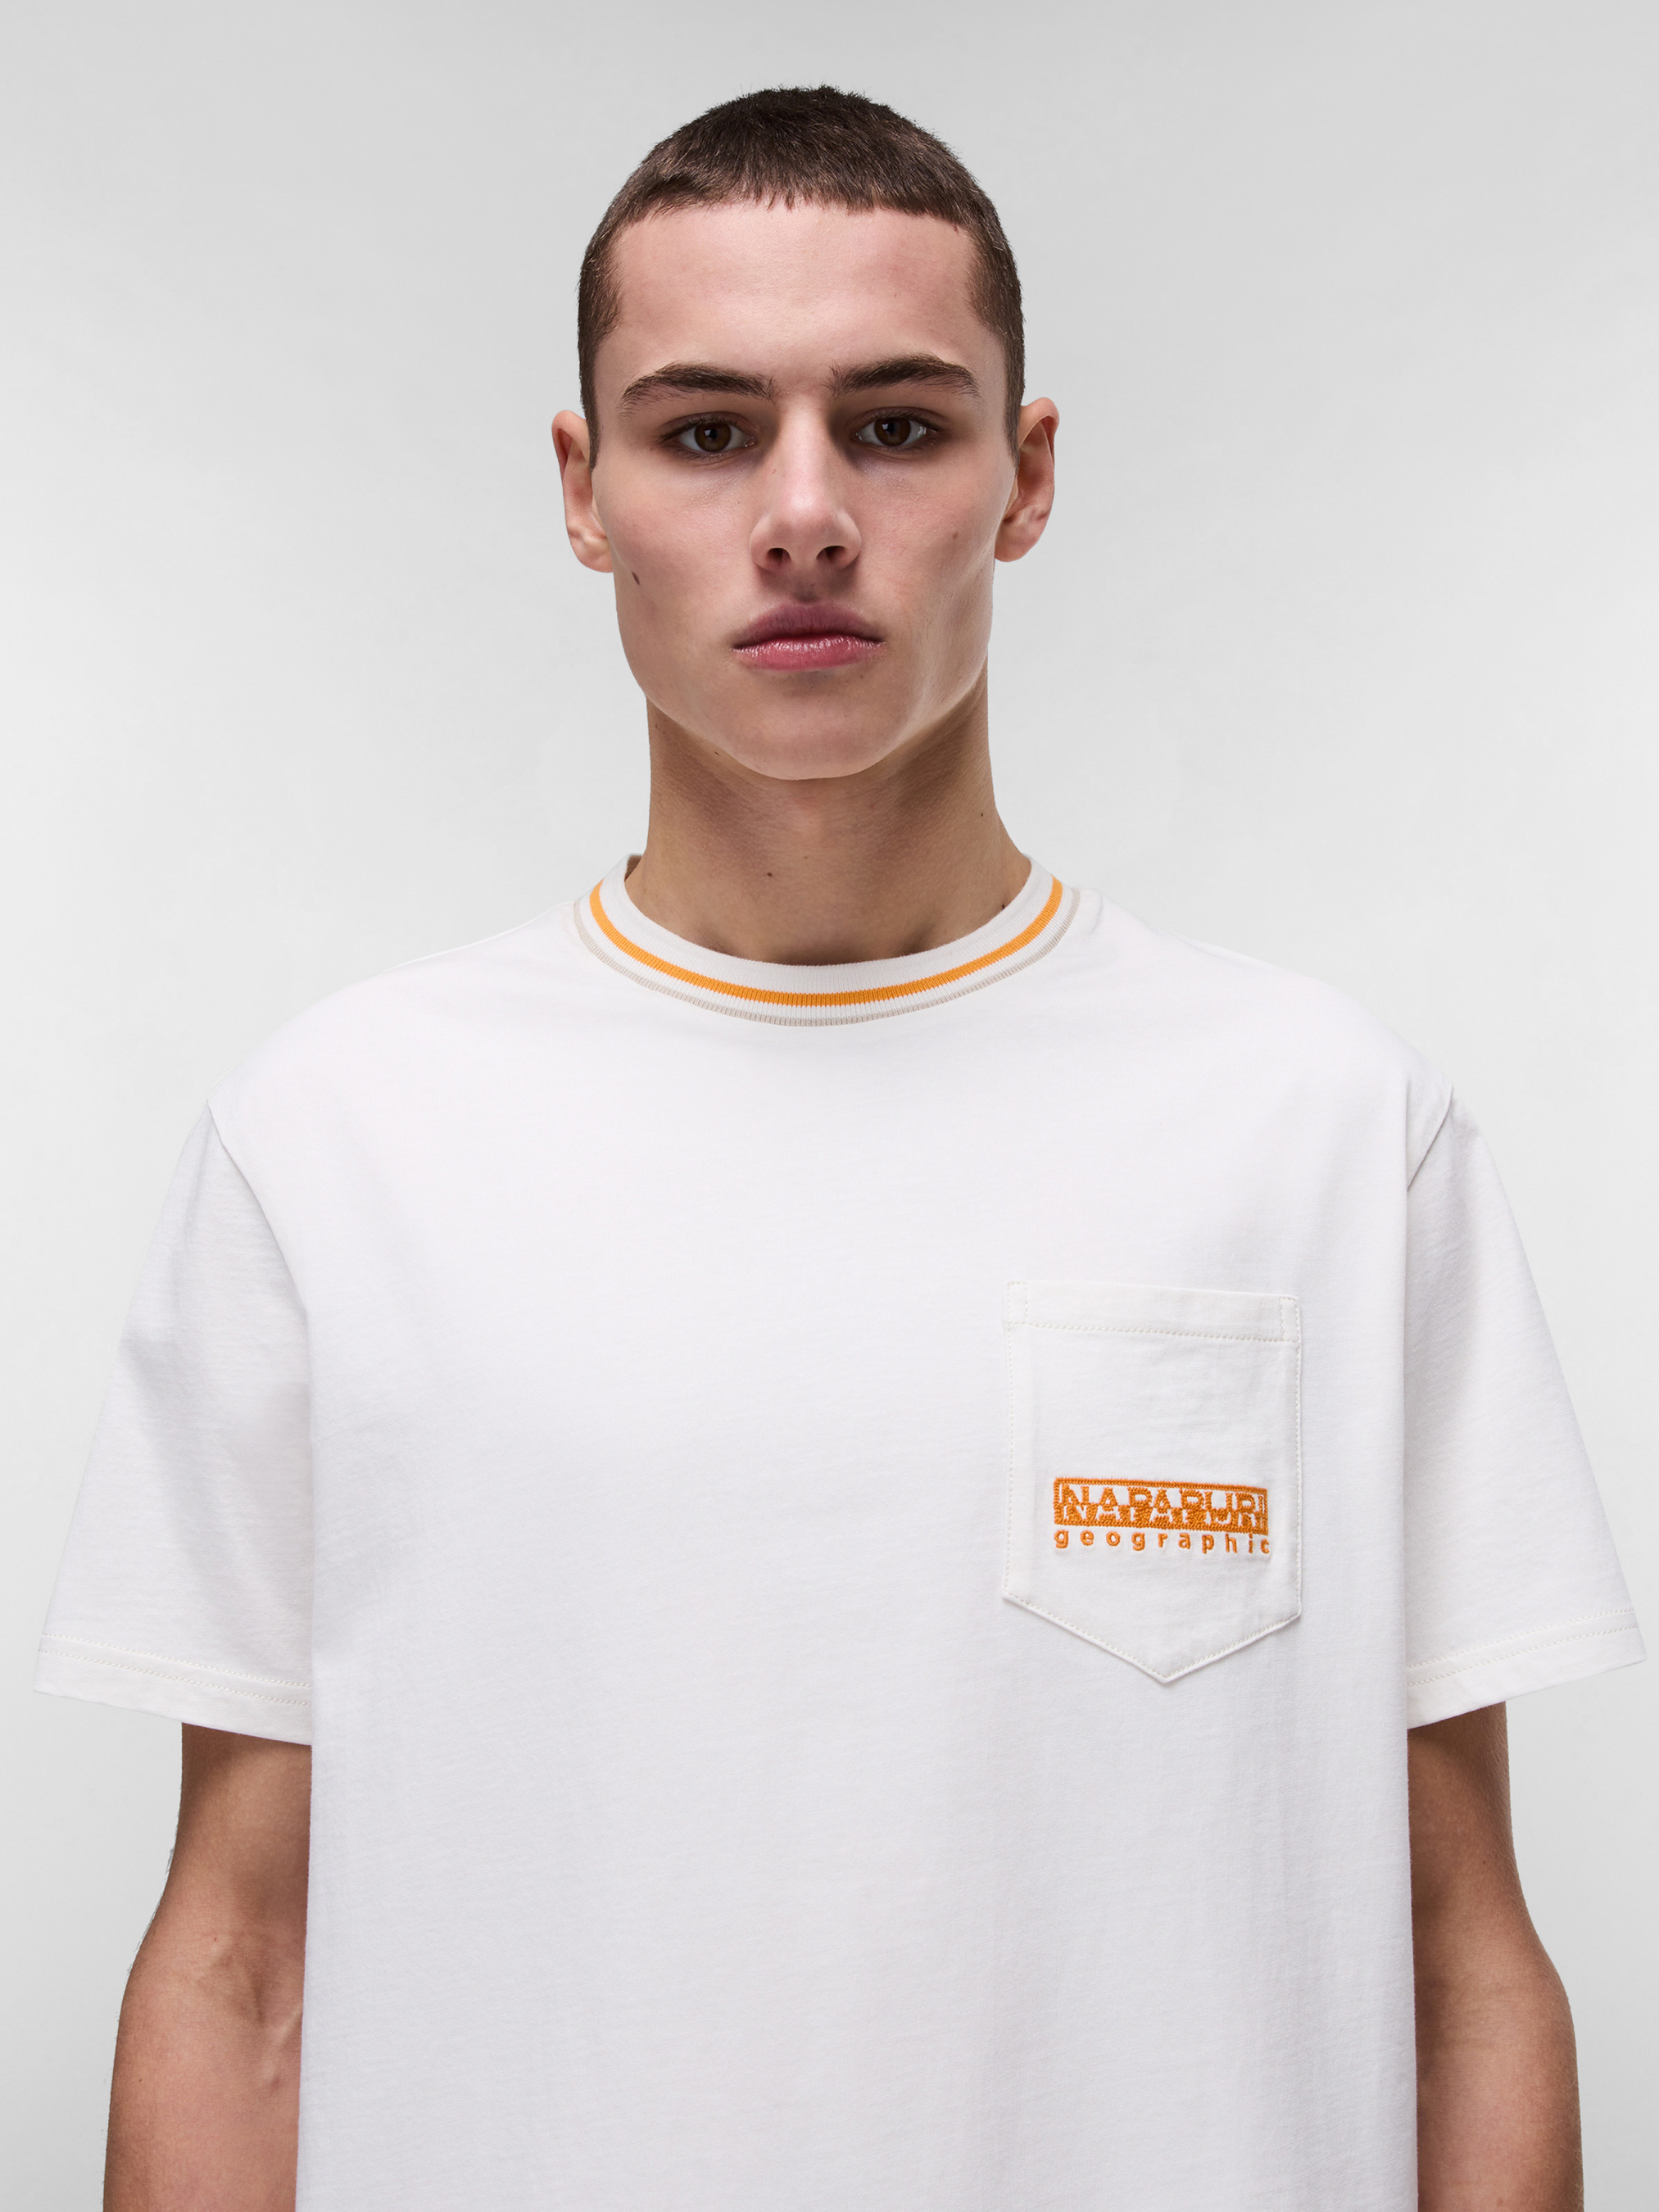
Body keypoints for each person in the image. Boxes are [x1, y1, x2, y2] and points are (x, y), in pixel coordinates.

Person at [39, 85, 1641, 2212]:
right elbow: (243, 1963)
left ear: (1026, 473)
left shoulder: (1327, 1131)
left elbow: (1458, 1965)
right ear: (584, 489)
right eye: (706, 431)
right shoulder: (334, 1142)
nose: (804, 515)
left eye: (893, 425)